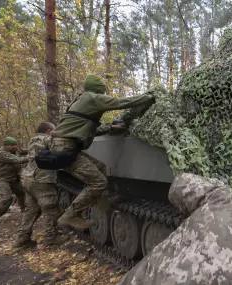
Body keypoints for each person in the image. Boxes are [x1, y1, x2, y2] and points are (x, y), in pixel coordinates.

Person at [49, 74, 155, 230]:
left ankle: (103, 201)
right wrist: (149, 96)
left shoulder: (80, 100)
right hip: (65, 148)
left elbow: (83, 129)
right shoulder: (92, 98)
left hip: (65, 146)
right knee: (99, 182)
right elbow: (122, 103)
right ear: (98, 89)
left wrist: (109, 128)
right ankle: (70, 215)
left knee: (102, 168)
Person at [13, 122, 69, 248]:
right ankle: (51, 238)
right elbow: (62, 150)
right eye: (54, 130)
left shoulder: (32, 140)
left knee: (31, 210)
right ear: (49, 131)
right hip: (42, 180)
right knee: (50, 209)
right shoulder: (48, 140)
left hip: (29, 180)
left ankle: (22, 238)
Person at [0, 137, 31, 220]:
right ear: (5, 146)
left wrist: (35, 149)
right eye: (12, 145)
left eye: (15, 144)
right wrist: (33, 156)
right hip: (1, 178)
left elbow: (25, 151)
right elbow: (18, 160)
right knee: (7, 197)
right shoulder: (0, 153)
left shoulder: (14, 150)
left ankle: (24, 210)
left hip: (13, 178)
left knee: (21, 193)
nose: (14, 146)